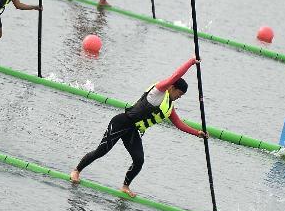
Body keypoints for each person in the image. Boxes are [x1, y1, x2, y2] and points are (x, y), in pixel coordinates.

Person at [70, 56, 207, 197]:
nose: (179, 97)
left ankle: (125, 186)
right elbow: (176, 75)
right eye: (179, 93)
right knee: (101, 151)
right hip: (121, 122)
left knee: (139, 160)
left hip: (133, 130)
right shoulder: (159, 91)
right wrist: (191, 62)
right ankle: (76, 171)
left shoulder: (169, 107)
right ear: (172, 88)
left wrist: (197, 133)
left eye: (182, 96)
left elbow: (179, 124)